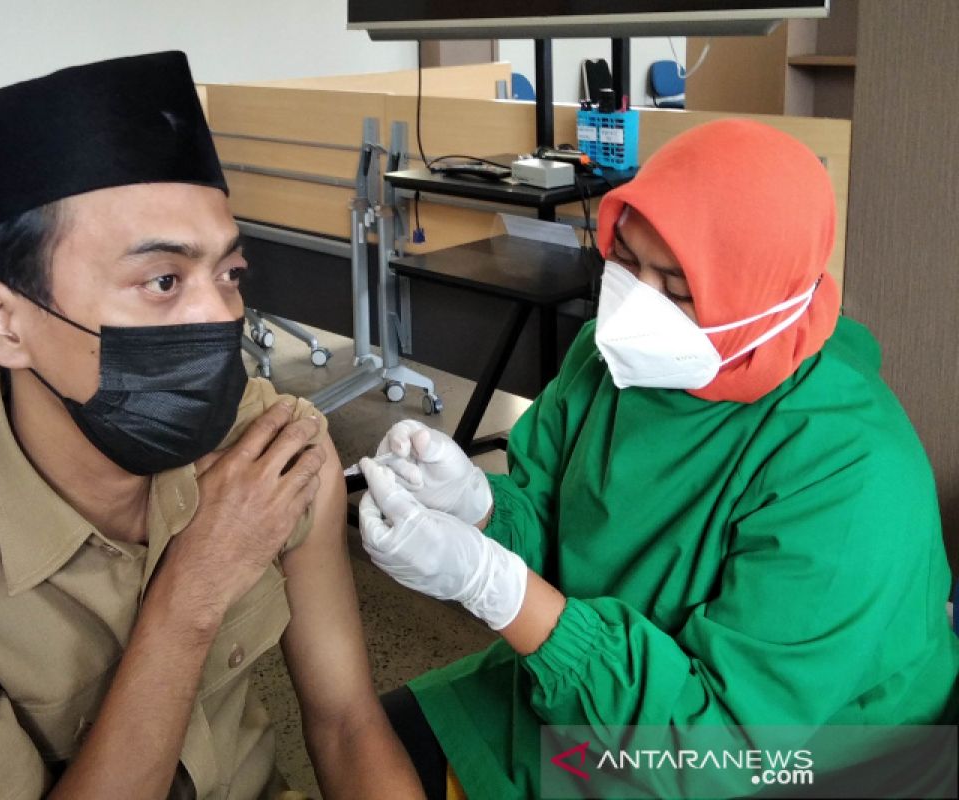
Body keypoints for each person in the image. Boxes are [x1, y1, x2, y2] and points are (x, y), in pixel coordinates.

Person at [0, 52, 424, 800]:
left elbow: (344, 722)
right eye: (163, 281)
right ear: (3, 322)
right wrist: (192, 594)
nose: (218, 318)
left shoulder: (267, 448)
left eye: (229, 274)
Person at [358, 119, 959, 799]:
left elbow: (721, 744)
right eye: (625, 262)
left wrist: (490, 583)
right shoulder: (606, 359)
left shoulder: (850, 472)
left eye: (676, 288)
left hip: (780, 754)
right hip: (613, 682)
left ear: (762, 299)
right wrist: (479, 507)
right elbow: (552, 514)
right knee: (371, 742)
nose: (632, 307)